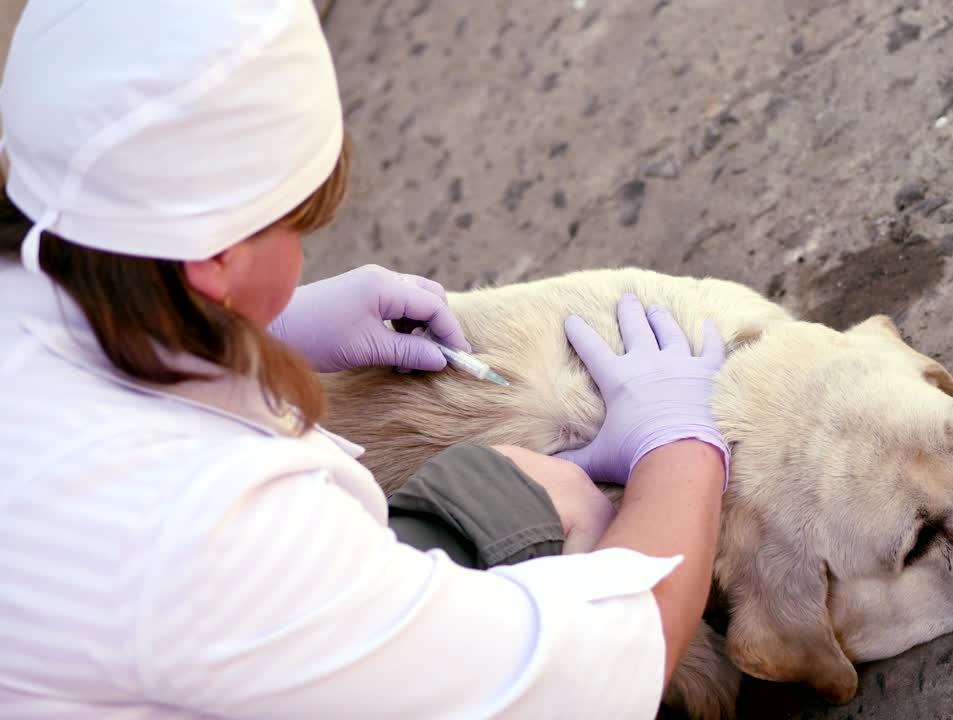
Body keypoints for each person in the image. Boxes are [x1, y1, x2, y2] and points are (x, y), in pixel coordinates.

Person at [0, 2, 728, 718]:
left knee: (530, 486)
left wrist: (266, 326)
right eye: (294, 229)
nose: (301, 248)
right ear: (213, 262)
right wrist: (681, 446)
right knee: (584, 530)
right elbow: (605, 661)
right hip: (193, 624)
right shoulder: (211, 534)